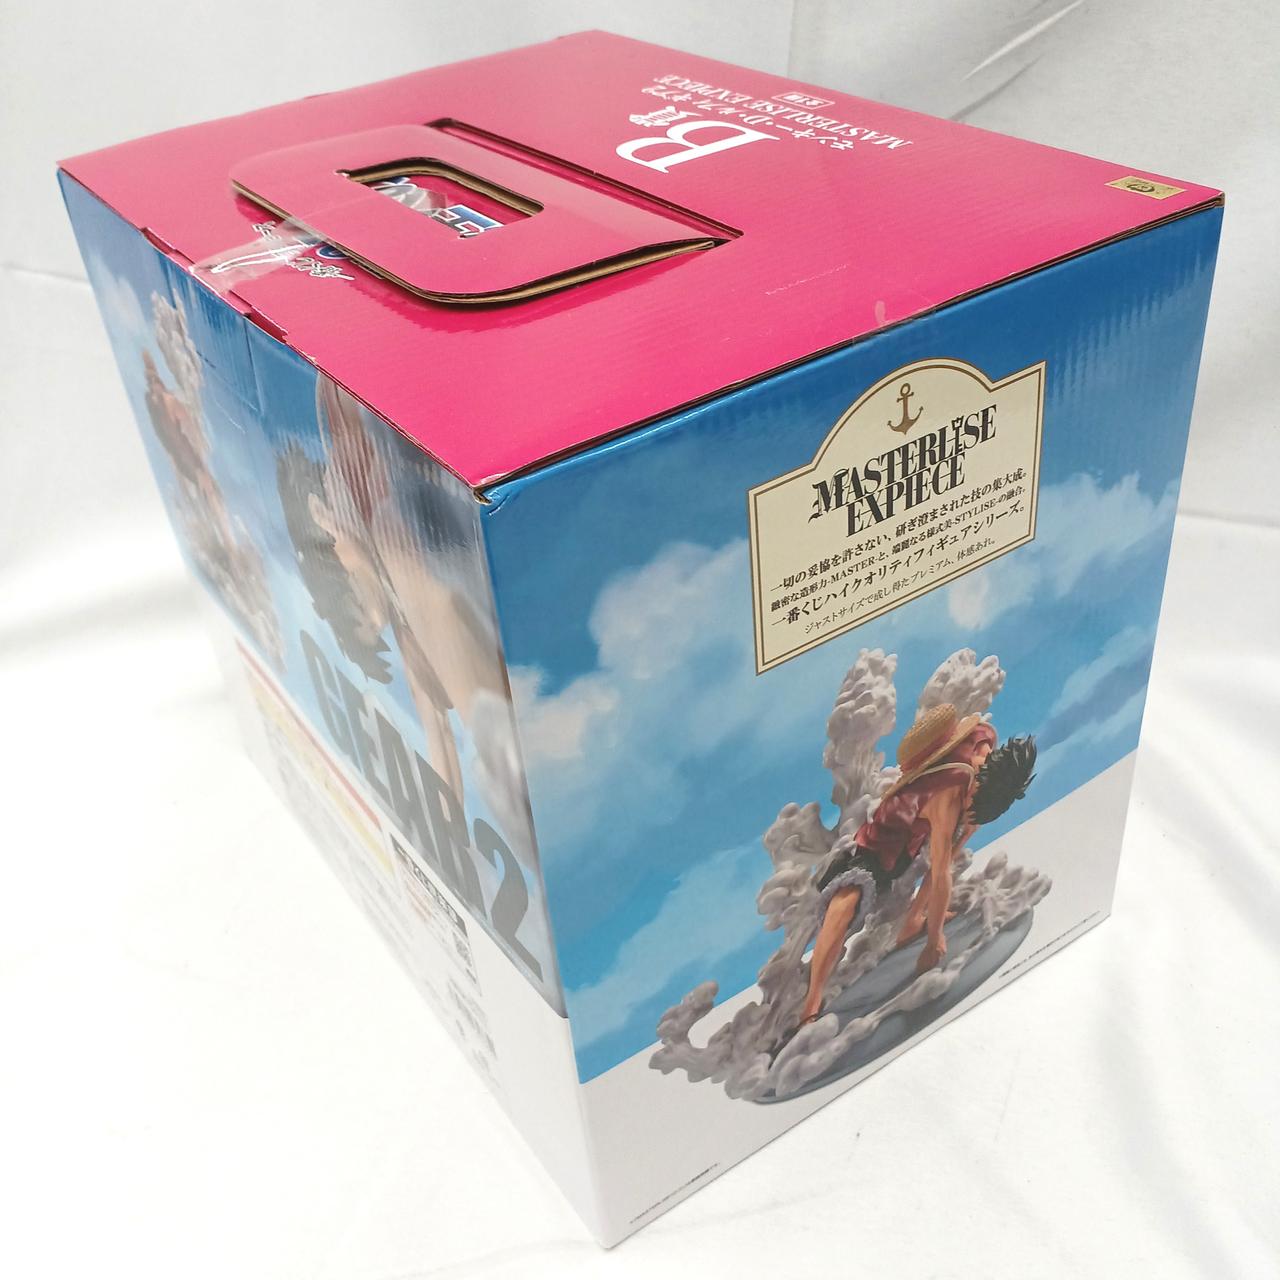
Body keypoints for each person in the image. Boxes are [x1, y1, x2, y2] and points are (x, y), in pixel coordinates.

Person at [276, 376, 511, 809]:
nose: (376, 618)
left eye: (361, 612)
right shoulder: (399, 607)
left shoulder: (349, 498)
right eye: (373, 627)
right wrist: (447, 817)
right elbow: (437, 733)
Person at [792, 702, 1037, 1034]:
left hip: (910, 844)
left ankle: (913, 921)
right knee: (845, 902)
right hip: (874, 848)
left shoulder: (982, 750)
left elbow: (944, 862)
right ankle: (811, 1004)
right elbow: (941, 873)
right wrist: (934, 940)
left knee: (958, 838)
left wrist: (922, 921)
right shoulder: (949, 793)